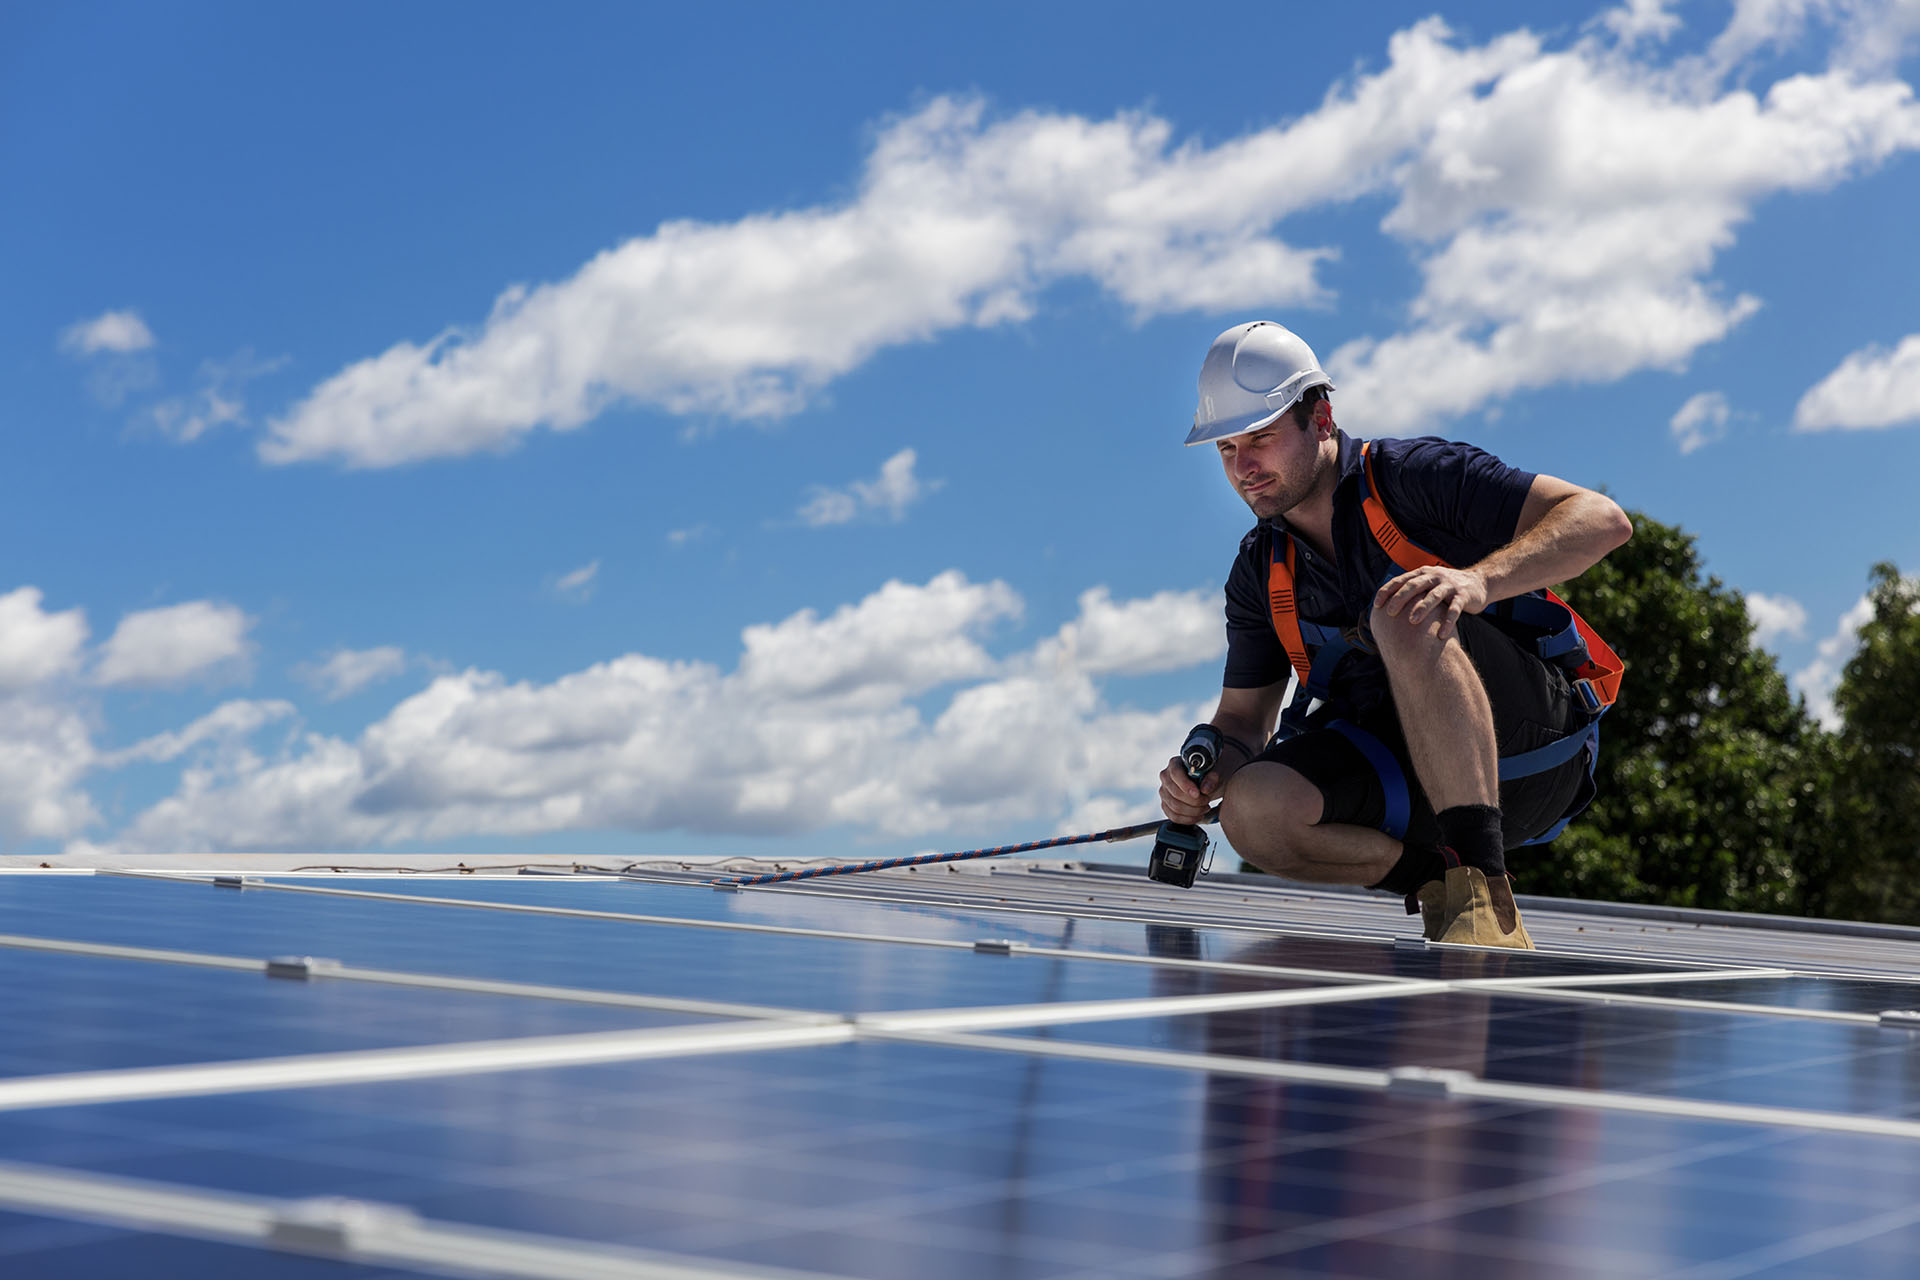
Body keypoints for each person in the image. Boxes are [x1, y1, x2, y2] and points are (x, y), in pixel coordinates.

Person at [1158, 321, 1632, 949]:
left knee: (1403, 608)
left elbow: (1602, 520)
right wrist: (1205, 769)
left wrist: (1478, 582)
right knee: (1253, 809)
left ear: (1321, 418)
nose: (1244, 467)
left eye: (1261, 438)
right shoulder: (1258, 573)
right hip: (1410, 781)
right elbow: (1244, 723)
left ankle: (1484, 892)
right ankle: (1434, 879)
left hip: (1531, 755)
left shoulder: (1415, 479)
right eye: (1226, 450)